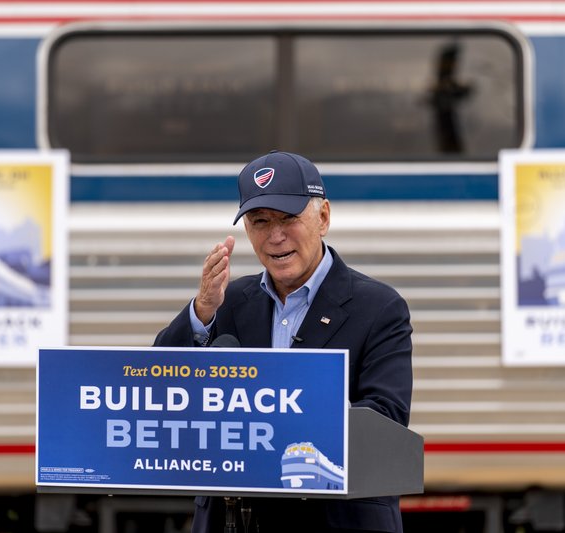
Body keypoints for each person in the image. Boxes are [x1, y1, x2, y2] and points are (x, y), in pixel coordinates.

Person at [154, 150, 414, 533]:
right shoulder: (228, 301)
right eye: (260, 221)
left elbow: (386, 418)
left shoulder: (379, 307)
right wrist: (203, 309)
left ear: (323, 218)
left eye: (288, 218)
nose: (275, 237)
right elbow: (159, 387)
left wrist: (283, 419)